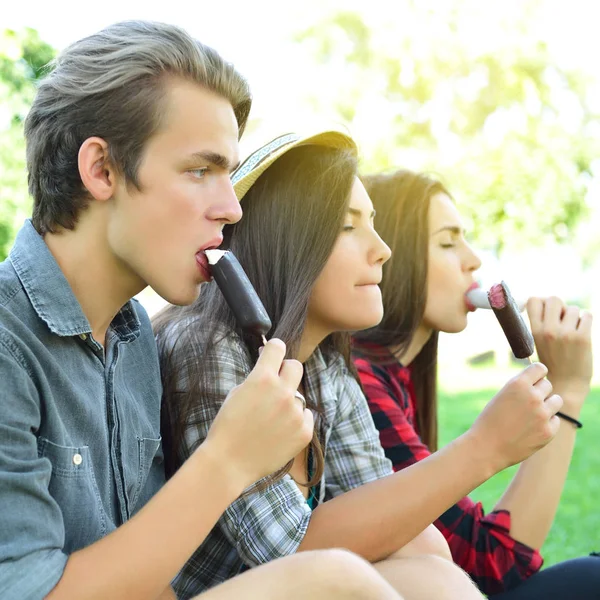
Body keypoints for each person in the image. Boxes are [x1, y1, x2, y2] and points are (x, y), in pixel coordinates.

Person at [0, 21, 407, 600]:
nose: (232, 209)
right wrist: (229, 460)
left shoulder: (132, 334)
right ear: (103, 170)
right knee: (334, 581)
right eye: (200, 170)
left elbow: (151, 576)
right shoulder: (7, 343)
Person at [154, 130, 563, 600]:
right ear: (286, 242)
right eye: (348, 227)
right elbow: (288, 554)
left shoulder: (326, 369)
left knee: (425, 549)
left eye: (373, 223)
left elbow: (386, 509)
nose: (383, 249)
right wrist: (483, 448)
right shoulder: (206, 348)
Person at [353, 169, 600, 599]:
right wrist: (567, 391)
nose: (474, 259)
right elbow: (495, 565)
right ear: (388, 254)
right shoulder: (362, 383)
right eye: (448, 242)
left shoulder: (395, 376)